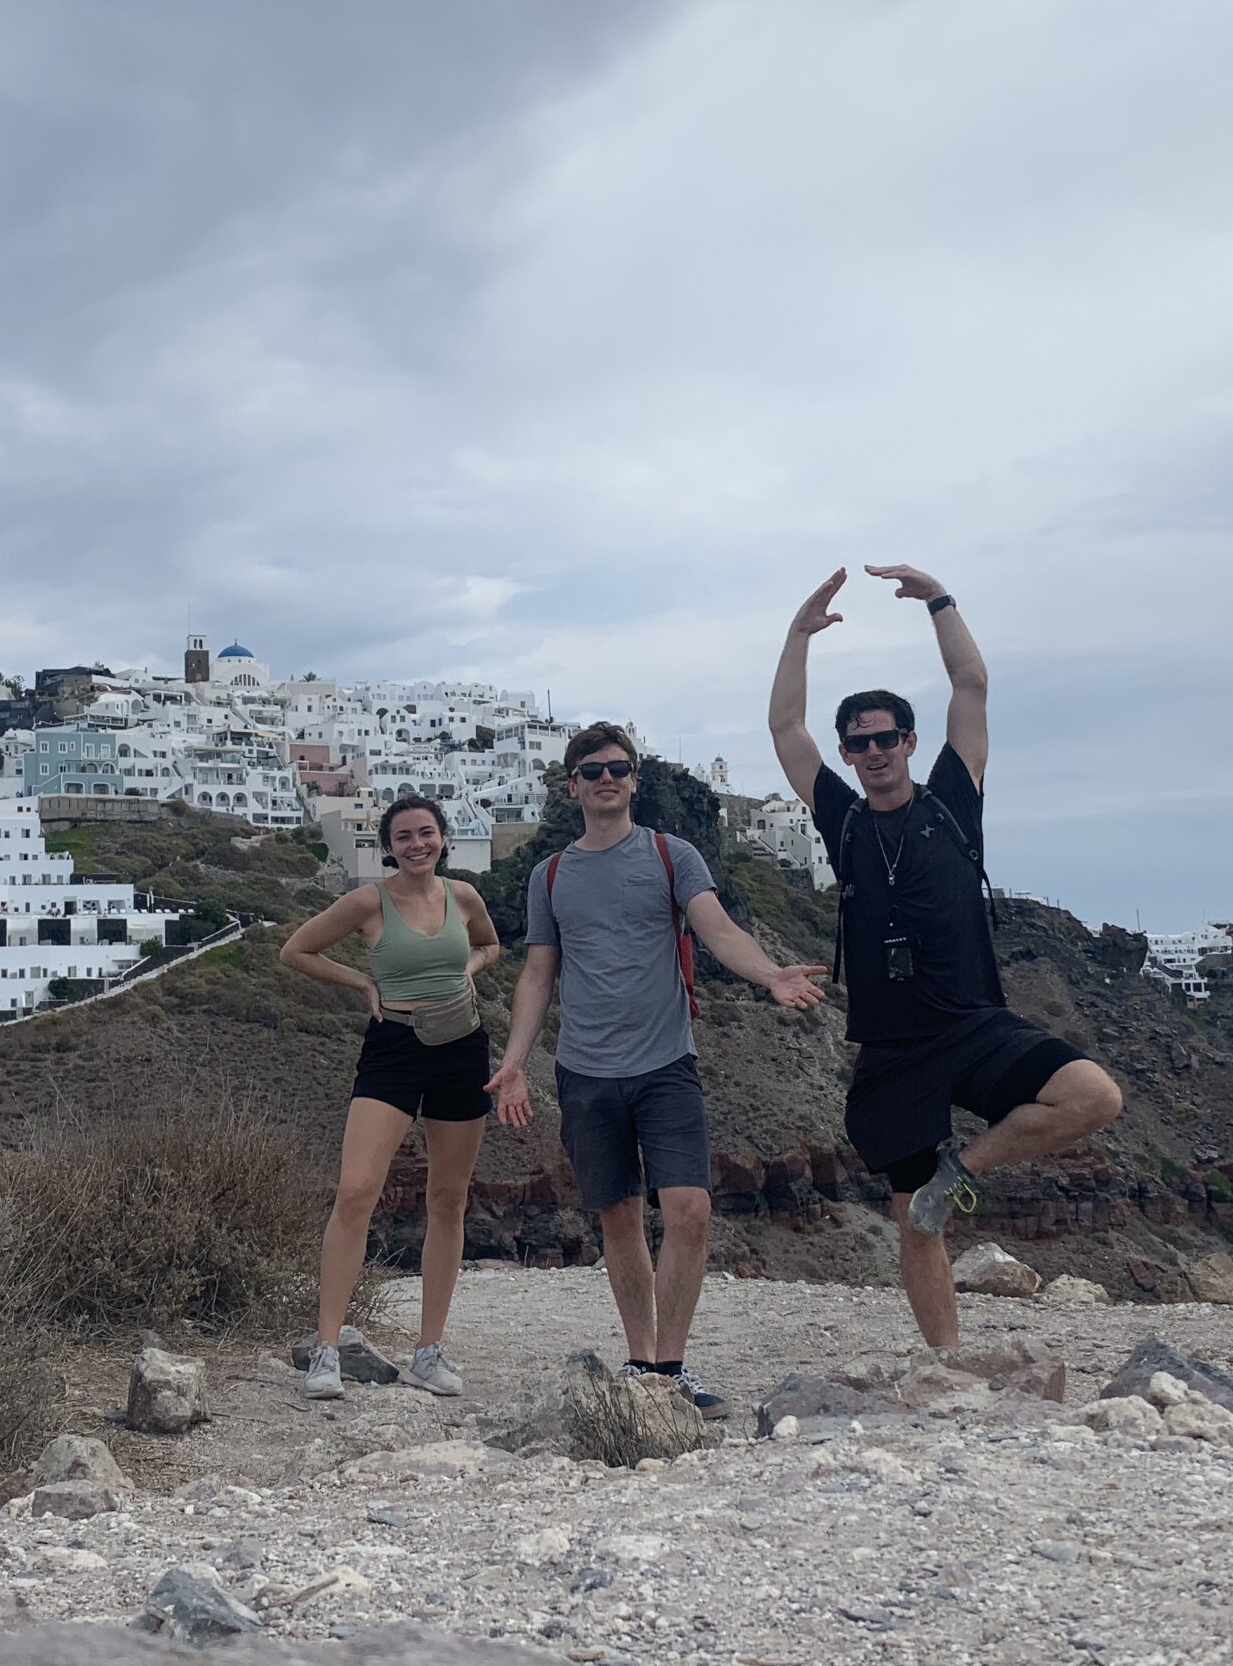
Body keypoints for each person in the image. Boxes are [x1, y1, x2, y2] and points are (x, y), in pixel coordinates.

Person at [768, 563, 1123, 1349]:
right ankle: (947, 1364)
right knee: (914, 1223)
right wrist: (798, 635)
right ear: (849, 753)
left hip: (974, 1023)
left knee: (1094, 1097)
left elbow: (971, 684)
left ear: (909, 740)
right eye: (859, 743)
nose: (874, 752)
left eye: (886, 737)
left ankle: (958, 1171)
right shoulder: (843, 819)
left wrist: (938, 601)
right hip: (893, 1047)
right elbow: (785, 731)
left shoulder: (954, 798)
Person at [485, 723, 826, 1414]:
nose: (606, 779)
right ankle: (642, 1362)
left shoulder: (673, 857)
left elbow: (717, 928)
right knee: (618, 1217)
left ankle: (671, 1368)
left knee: (689, 1210)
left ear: (634, 779)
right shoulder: (549, 876)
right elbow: (537, 977)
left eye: (618, 768)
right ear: (573, 785)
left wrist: (769, 975)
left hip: (666, 1063)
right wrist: (514, 1063)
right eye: (592, 770)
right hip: (585, 1070)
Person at [280, 793, 503, 1400]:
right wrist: (362, 982)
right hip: (393, 1050)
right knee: (355, 1192)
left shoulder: (463, 897)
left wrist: (471, 970)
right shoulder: (367, 902)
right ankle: (326, 1351)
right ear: (388, 847)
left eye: (425, 834)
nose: (416, 845)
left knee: (449, 1200)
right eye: (403, 837)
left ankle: (429, 1353)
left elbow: (490, 946)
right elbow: (295, 950)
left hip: (461, 1046)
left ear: (443, 838)